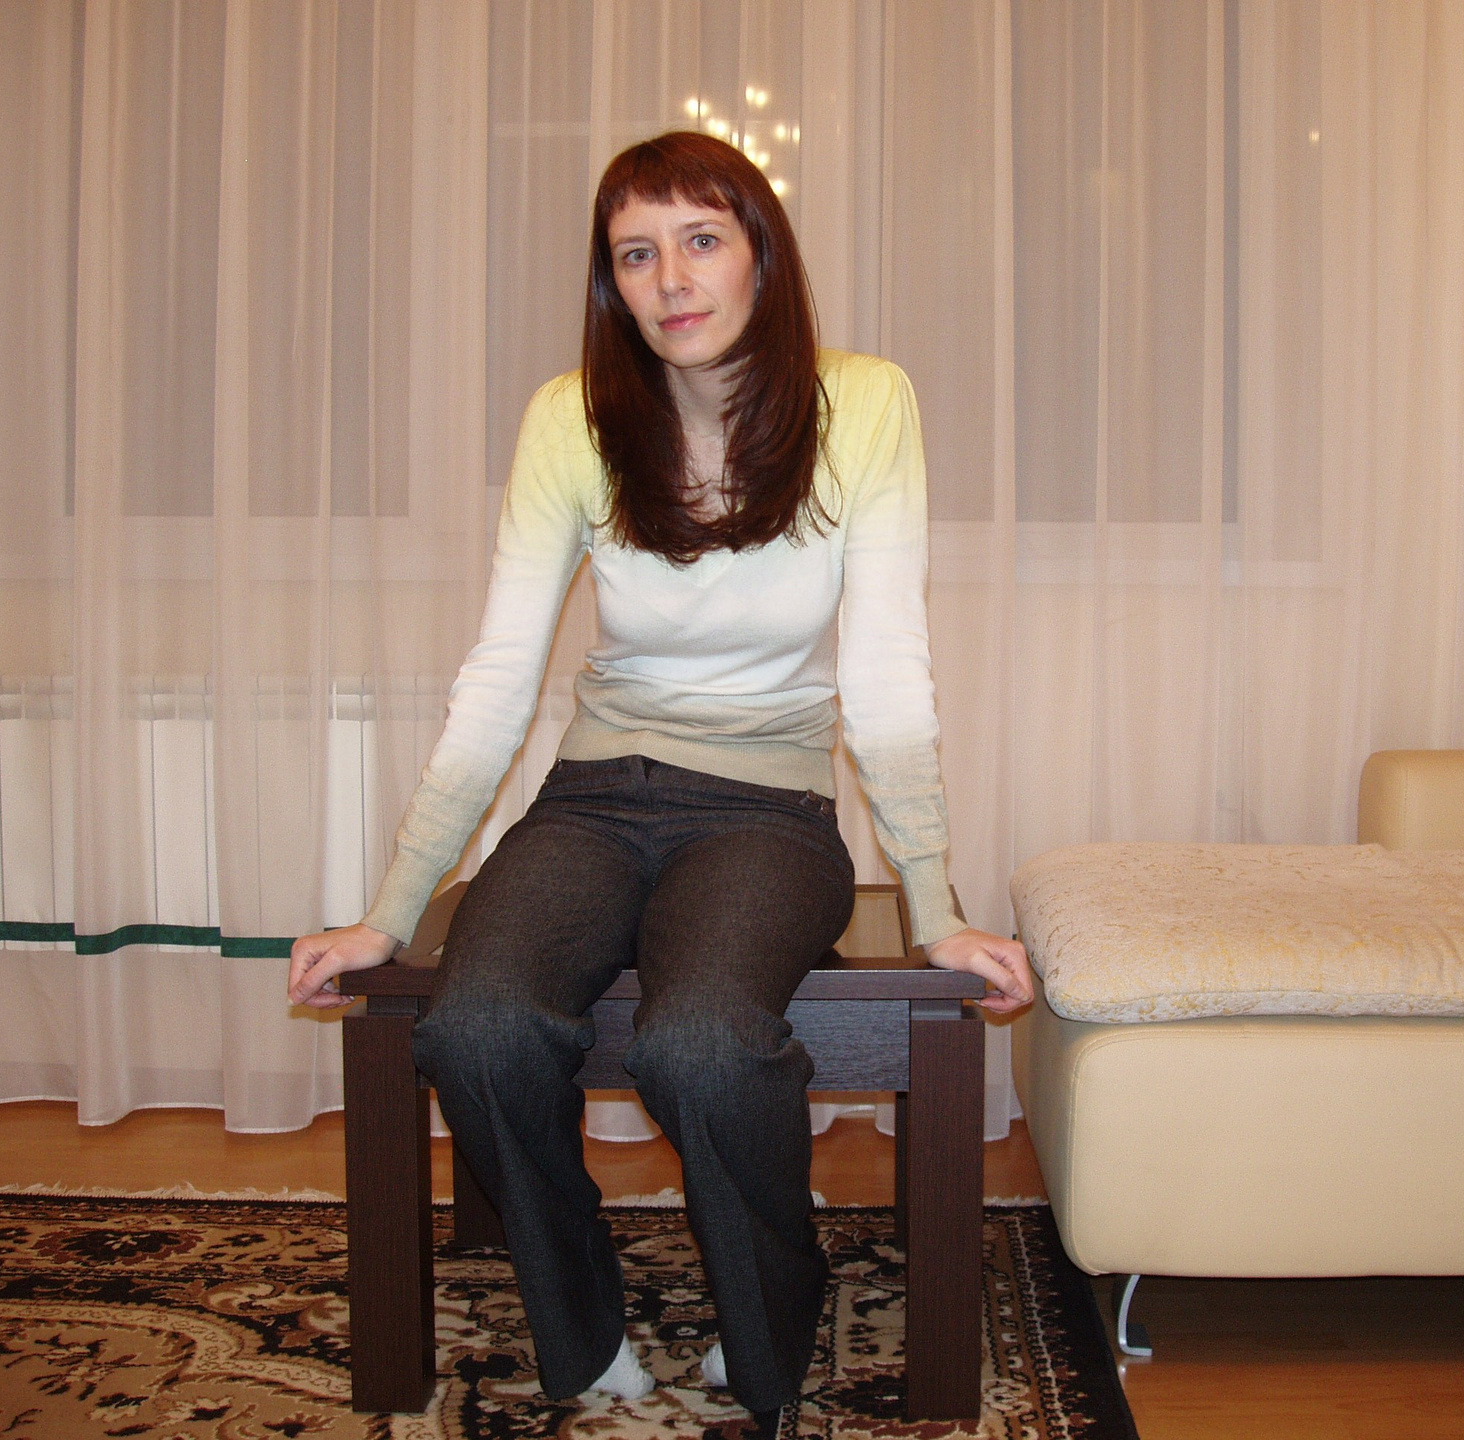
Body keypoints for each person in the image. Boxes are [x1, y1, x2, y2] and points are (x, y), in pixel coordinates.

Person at [287, 130, 1032, 1429]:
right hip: (592, 797)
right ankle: (578, 1325)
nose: (671, 279)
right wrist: (391, 908)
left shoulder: (865, 404)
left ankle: (772, 1315)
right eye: (636, 254)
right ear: (611, 281)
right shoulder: (572, 419)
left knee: (703, 1043)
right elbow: (501, 671)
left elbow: (887, 668)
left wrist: (936, 904)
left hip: (766, 811)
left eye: (701, 241)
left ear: (760, 256)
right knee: (475, 1027)